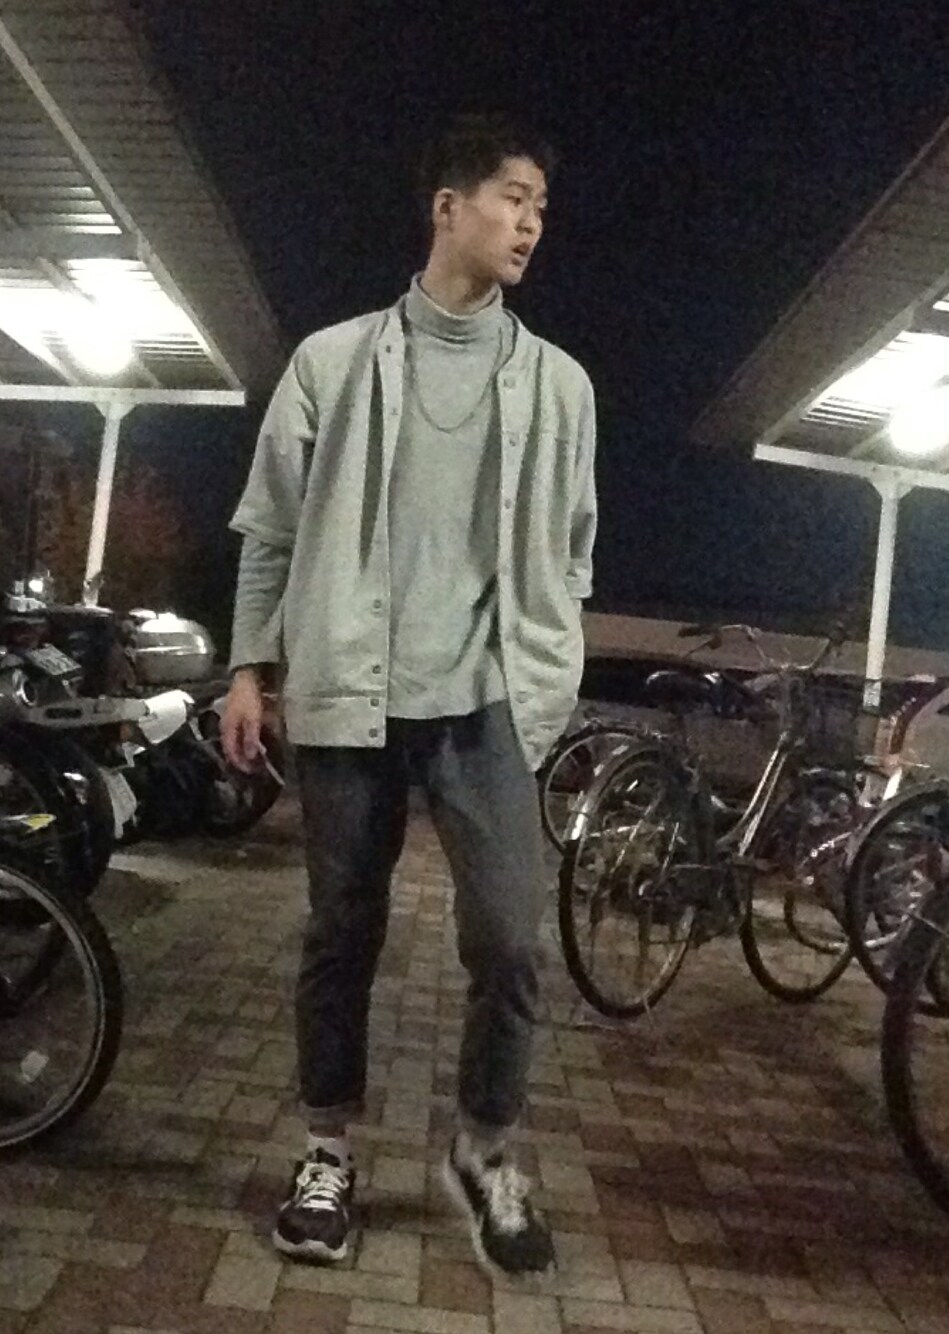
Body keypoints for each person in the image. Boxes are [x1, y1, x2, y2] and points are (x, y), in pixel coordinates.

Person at [221, 113, 598, 1279]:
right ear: (447, 206)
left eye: (540, 207)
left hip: (485, 697)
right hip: (350, 691)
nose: (530, 223)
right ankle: (326, 1150)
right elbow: (272, 529)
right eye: (512, 198)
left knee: (511, 939)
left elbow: (573, 546)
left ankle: (483, 1148)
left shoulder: (559, 386)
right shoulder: (332, 362)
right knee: (343, 929)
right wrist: (248, 669)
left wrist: (547, 660)